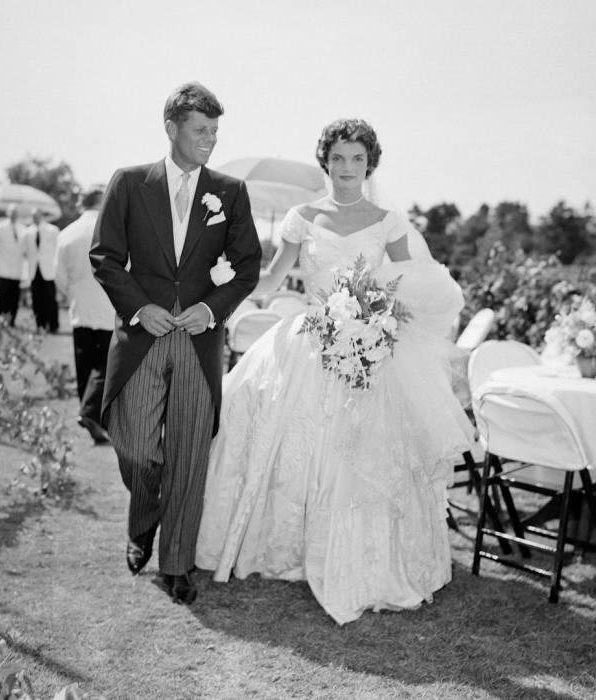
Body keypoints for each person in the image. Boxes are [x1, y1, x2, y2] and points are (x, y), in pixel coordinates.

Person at [195, 118, 475, 624]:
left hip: (368, 344)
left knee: (364, 448)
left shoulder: (388, 221)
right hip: (308, 340)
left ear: (370, 165)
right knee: (277, 429)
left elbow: (410, 284)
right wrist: (219, 281)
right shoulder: (302, 217)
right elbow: (274, 276)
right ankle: (286, 546)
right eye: (339, 158)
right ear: (325, 160)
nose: (348, 168)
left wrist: (377, 315)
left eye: (358, 159)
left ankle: (364, 555)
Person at [90, 81, 262, 604]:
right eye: (199, 130)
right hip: (142, 337)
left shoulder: (229, 191)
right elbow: (105, 257)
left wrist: (210, 309)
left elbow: (248, 265)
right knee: (137, 446)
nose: (209, 139)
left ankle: (178, 563)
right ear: (172, 128)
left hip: (199, 341)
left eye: (214, 131)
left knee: (189, 453)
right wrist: (142, 308)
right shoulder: (127, 182)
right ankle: (143, 518)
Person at [55, 187, 115, 445]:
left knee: (85, 365)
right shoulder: (113, 229)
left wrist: (73, 293)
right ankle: (92, 415)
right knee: (105, 364)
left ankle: (88, 414)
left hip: (79, 308)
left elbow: (58, 277)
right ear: (102, 202)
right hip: (108, 306)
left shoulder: (66, 233)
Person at [0, 204, 35, 326]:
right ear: (8, 213)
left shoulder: (23, 229)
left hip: (17, 269)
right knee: (3, 296)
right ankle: (0, 319)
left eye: (16, 213)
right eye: (12, 213)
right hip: (3, 268)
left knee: (14, 297)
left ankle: (11, 320)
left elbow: (27, 249)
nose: (14, 215)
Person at [27, 208, 60, 333]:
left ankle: (53, 325)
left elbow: (58, 249)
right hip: (34, 270)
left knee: (50, 298)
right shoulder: (28, 232)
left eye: (37, 215)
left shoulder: (53, 230)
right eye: (33, 215)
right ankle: (40, 325)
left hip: (48, 270)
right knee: (37, 299)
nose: (35, 217)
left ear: (41, 215)